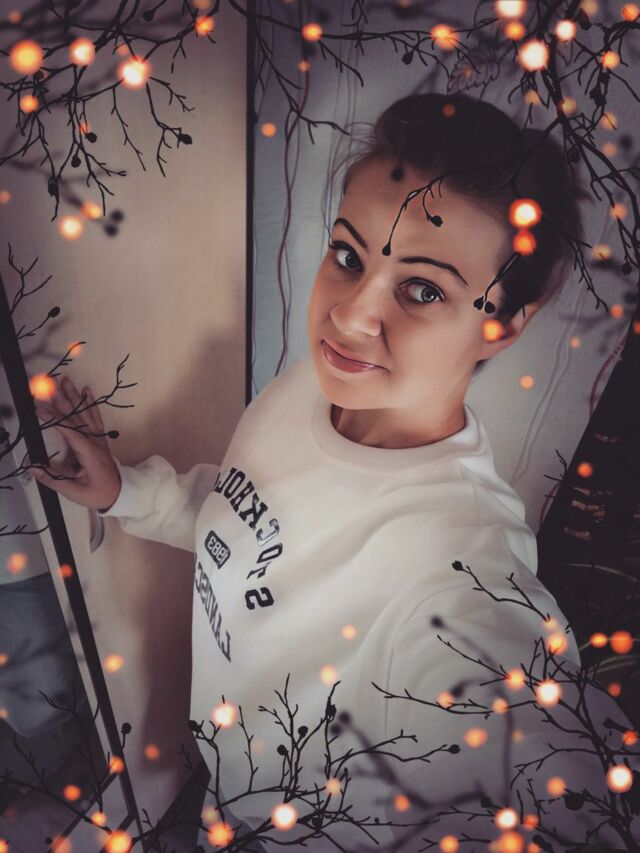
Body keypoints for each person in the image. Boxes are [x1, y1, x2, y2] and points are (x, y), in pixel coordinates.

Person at [28, 93, 639, 851]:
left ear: (505, 322)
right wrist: (128, 492)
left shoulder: (462, 577)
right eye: (349, 256)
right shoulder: (310, 390)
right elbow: (245, 520)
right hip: (222, 796)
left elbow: (552, 765)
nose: (349, 317)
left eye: (423, 289)